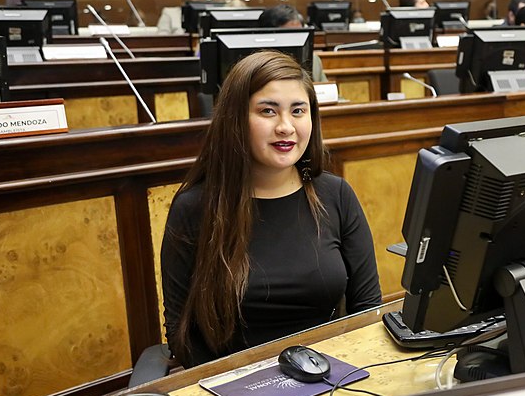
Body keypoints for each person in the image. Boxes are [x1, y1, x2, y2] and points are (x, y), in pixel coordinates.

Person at [161, 51, 382, 368]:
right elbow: (183, 335)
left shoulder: (335, 194)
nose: (286, 127)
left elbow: (368, 309)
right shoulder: (195, 207)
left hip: (330, 376)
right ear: (236, 120)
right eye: (268, 111)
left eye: (298, 111)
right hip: (233, 388)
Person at [258, 4, 327, 82]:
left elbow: (327, 91)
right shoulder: (257, 67)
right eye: (289, 36)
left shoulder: (313, 60)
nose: (297, 41)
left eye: (300, 34)